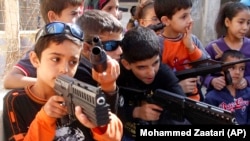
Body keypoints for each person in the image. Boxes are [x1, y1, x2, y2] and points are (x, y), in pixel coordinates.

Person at [3, 22, 123, 141]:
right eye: (56, 59)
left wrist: (100, 125)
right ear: (35, 59)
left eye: (73, 62)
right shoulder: (16, 100)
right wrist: (46, 117)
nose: (64, 70)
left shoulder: (80, 93)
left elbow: (115, 136)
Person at [117, 26, 187, 141]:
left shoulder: (164, 74)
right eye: (142, 67)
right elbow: (106, 110)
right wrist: (136, 112)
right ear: (126, 64)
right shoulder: (117, 75)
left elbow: (182, 107)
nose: (151, 72)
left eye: (155, 63)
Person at [3, 0, 83, 89]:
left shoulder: (81, 44)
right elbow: (10, 80)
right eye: (74, 14)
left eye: (80, 13)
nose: (80, 19)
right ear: (53, 17)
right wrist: (48, 82)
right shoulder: (45, 48)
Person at [154, 0, 210, 101]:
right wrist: (177, 87)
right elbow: (153, 80)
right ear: (166, 20)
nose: (190, 20)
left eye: (190, 14)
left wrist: (191, 48)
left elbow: (208, 67)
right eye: (184, 16)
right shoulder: (157, 45)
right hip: (170, 104)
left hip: (194, 101)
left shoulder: (192, 40)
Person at [75, 9, 123, 113]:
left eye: (121, 43)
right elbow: (103, 120)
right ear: (87, 48)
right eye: (111, 45)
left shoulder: (115, 62)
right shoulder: (79, 73)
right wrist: (109, 87)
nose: (120, 51)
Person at [204, 1, 250, 93]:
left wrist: (247, 81)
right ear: (227, 22)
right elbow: (202, 74)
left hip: (244, 102)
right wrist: (212, 81)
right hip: (218, 102)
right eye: (241, 22)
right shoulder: (213, 47)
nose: (245, 27)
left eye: (248, 23)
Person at [204, 50, 250, 125]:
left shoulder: (248, 93)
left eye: (242, 68)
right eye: (232, 68)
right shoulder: (212, 97)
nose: (237, 72)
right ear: (222, 70)